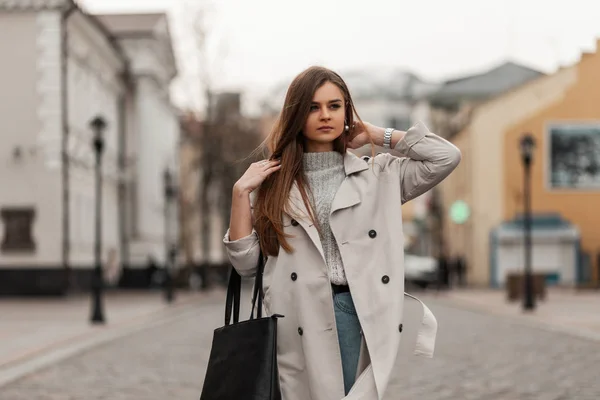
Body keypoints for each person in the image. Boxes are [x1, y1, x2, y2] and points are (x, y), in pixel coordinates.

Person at [223, 66, 461, 400]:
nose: (325, 115)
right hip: (294, 317)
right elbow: (247, 265)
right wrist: (240, 194)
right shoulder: (273, 185)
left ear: (347, 111)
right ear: (296, 114)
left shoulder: (378, 175)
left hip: (351, 308)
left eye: (335, 106)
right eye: (313, 107)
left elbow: (445, 157)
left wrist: (380, 135)